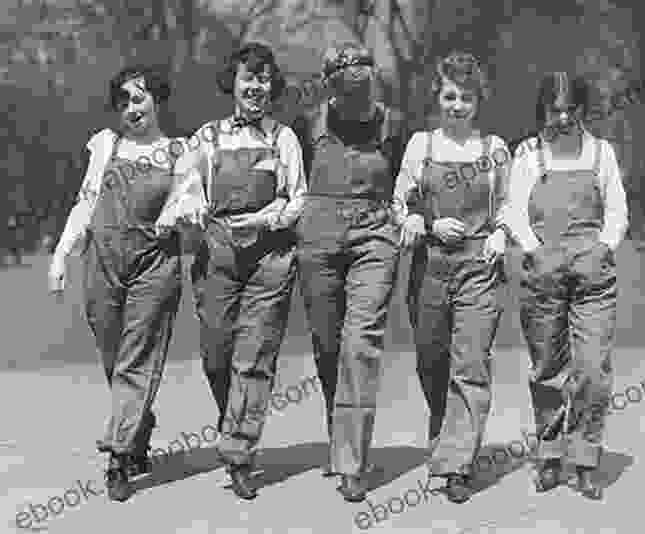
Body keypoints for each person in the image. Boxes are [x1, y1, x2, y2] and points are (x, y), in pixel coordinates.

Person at [47, 65, 199, 501]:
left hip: (154, 263)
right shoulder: (106, 146)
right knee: (114, 355)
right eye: (124, 102)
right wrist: (61, 254)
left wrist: (176, 210)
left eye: (138, 98)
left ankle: (118, 455)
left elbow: (191, 195)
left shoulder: (179, 150)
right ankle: (138, 423)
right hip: (102, 261)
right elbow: (86, 202)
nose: (131, 109)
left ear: (157, 101)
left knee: (137, 357)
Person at [175, 42, 306, 500]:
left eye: (265, 79)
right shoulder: (206, 138)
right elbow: (187, 186)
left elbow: (298, 199)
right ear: (232, 83)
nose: (257, 87)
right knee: (216, 355)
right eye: (249, 78)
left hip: (270, 258)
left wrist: (267, 218)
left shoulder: (283, 138)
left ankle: (240, 454)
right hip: (218, 258)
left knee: (253, 359)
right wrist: (191, 206)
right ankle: (236, 419)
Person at [505, 71, 628, 500]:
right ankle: (551, 454)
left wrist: (604, 247)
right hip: (544, 271)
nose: (561, 118)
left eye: (569, 109)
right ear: (543, 110)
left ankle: (585, 459)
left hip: (593, 272)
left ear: (582, 110)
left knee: (593, 371)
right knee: (548, 371)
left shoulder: (601, 154)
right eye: (553, 110)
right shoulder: (529, 155)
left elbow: (617, 211)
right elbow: (513, 211)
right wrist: (534, 248)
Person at [394, 52, 511, 503]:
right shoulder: (421, 145)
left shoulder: (494, 149)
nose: (456, 105)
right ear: (437, 97)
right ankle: (444, 427)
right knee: (432, 360)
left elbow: (509, 205)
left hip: (479, 268)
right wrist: (423, 220)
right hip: (430, 268)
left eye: (465, 97)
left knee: (471, 363)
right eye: (449, 96)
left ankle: (458, 462)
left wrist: (501, 232)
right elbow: (400, 202)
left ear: (478, 101)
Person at [295, 42, 404, 502]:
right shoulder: (309, 123)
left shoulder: (392, 124)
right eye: (343, 88)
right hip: (318, 238)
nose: (353, 98)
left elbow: (403, 180)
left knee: (360, 344)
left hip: (374, 237)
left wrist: (404, 217)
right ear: (330, 88)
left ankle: (352, 461)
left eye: (362, 85)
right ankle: (338, 434)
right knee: (327, 345)